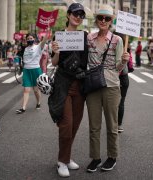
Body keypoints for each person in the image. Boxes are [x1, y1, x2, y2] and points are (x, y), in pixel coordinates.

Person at [85, 4, 129, 172]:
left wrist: (124, 60)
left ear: (111, 21)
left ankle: (112, 157)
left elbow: (118, 68)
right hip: (93, 86)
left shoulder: (117, 40)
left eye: (107, 18)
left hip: (111, 86)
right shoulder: (89, 38)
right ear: (96, 19)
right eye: (100, 18)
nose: (103, 21)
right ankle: (95, 158)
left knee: (112, 124)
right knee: (94, 125)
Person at [48, 3, 88, 177]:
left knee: (75, 124)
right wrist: (55, 51)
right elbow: (55, 62)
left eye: (81, 14)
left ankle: (67, 157)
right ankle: (61, 161)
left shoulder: (85, 36)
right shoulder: (59, 35)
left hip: (80, 85)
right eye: (75, 13)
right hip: (63, 84)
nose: (78, 17)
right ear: (69, 15)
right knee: (66, 124)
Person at [15, 32, 49, 114]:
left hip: (36, 70)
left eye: (31, 38)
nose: (29, 40)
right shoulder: (25, 49)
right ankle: (23, 108)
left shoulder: (38, 47)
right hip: (26, 70)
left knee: (36, 90)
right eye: (28, 39)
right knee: (26, 90)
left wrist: (47, 33)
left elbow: (44, 41)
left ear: (34, 39)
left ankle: (38, 102)